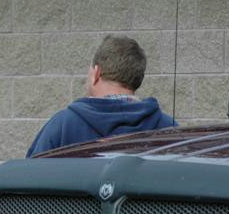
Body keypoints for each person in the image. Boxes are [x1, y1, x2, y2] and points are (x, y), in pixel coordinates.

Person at [27, 34, 177, 157]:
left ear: (96, 73)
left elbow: (29, 179)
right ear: (138, 79)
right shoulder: (169, 129)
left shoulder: (61, 126)